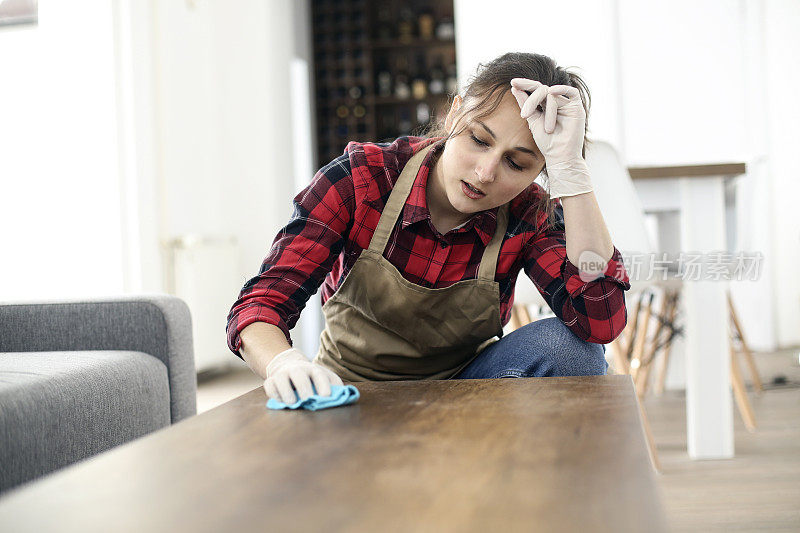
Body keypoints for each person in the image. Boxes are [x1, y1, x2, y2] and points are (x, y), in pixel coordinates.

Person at [226, 52, 631, 405]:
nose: (486, 172)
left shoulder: (530, 213)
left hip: (467, 394)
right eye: (478, 139)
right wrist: (283, 362)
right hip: (351, 392)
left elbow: (599, 323)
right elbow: (260, 304)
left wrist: (571, 173)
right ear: (454, 113)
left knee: (571, 351)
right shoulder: (363, 180)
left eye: (517, 163)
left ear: (539, 170)